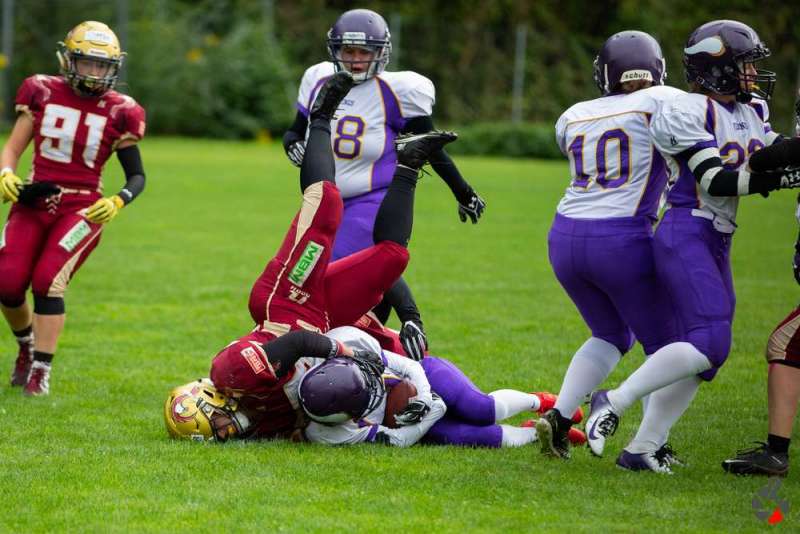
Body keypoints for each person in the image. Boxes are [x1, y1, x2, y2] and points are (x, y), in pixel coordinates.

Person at [164, 71, 459, 441]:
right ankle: (410, 163)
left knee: (326, 205)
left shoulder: (230, 374)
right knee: (391, 259)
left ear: (210, 401)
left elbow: (297, 343)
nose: (222, 435)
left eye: (215, 427)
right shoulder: (262, 427)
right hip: (325, 321)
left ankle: (321, 116)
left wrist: (344, 350)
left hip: (288, 303)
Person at [584, 20, 800, 473]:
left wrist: (792, 155)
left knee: (708, 358)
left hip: (716, 238)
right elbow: (715, 179)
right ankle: (613, 400)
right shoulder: (686, 109)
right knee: (710, 340)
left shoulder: (749, 110)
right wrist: (781, 179)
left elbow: (767, 152)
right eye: (744, 65)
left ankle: (643, 448)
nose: (753, 74)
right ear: (716, 68)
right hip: (686, 232)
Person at [282, 8, 486, 361]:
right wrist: (292, 145)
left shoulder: (398, 90)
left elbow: (430, 147)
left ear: (381, 52)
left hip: (372, 199)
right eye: (348, 50)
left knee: (340, 273)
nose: (355, 59)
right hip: (323, 200)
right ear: (335, 50)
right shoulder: (318, 78)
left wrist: (462, 190)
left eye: (364, 51)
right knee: (327, 288)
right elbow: (294, 131)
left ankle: (407, 328)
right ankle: (378, 359)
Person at [534, 31, 683, 461]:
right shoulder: (664, 101)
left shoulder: (573, 114)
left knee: (611, 333)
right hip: (621, 237)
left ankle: (560, 418)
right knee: (667, 345)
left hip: (564, 237)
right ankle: (650, 445)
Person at [0, 21, 146, 396]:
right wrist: (6, 173)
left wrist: (117, 200)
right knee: (7, 282)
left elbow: (137, 176)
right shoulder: (42, 90)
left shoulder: (122, 110)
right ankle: (26, 345)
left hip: (82, 208)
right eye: (88, 63)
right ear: (68, 60)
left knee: (48, 281)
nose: (95, 72)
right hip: (35, 199)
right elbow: (13, 148)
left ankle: (41, 370)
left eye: (102, 65)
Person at [297, 326, 586, 448]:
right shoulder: (325, 433)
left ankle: (540, 401)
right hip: (405, 420)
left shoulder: (347, 342)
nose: (376, 391)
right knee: (475, 437)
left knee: (481, 409)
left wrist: (424, 396)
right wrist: (432, 411)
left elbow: (410, 366)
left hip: (423, 375)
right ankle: (539, 432)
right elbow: (397, 440)